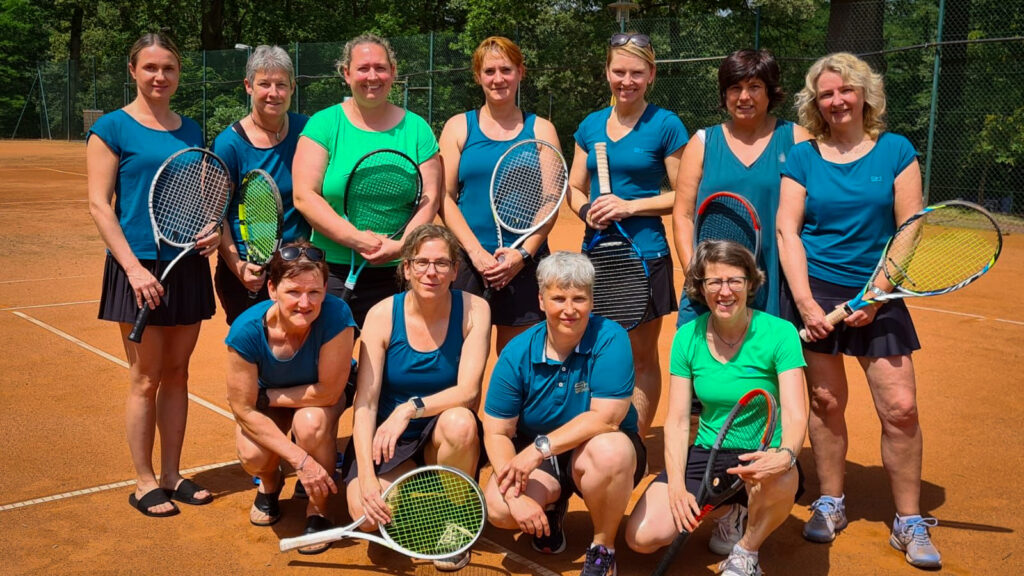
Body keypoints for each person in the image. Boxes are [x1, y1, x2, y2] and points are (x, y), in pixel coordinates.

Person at [776, 52, 941, 569]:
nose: (837, 100)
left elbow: (910, 225)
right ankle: (830, 500)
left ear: (865, 94)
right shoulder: (802, 156)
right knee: (825, 401)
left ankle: (909, 519)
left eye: (846, 90)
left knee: (901, 408)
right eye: (826, 93)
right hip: (817, 290)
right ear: (815, 102)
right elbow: (787, 230)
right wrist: (806, 303)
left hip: (879, 293)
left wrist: (878, 290)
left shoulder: (895, 150)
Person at [87, 32, 219, 518]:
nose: (160, 76)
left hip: (185, 263)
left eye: (169, 68)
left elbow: (200, 196)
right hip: (137, 265)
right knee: (145, 377)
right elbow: (100, 206)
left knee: (178, 373)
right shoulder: (110, 128)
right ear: (133, 71)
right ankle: (143, 481)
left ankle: (171, 475)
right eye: (150, 67)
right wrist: (133, 269)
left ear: (178, 73)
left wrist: (210, 228)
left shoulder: (192, 129)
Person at [625, 240, 807, 576]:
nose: (725, 291)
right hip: (710, 452)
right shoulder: (687, 337)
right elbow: (678, 421)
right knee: (642, 537)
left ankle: (746, 551)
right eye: (714, 282)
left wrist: (786, 455)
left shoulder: (781, 333)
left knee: (781, 477)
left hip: (763, 452)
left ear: (750, 283)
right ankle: (729, 511)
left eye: (734, 280)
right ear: (701, 287)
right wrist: (677, 486)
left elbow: (796, 413)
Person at [483, 251, 646, 576]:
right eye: (558, 298)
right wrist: (513, 496)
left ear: (592, 301)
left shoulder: (611, 338)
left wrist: (536, 450)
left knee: (610, 451)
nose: (569, 309)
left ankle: (603, 548)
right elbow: (497, 431)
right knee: (501, 509)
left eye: (579, 299)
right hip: (545, 461)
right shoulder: (518, 352)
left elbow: (607, 419)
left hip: (598, 450)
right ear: (541, 300)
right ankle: (553, 506)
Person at [344, 224, 490, 571]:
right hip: (388, 441)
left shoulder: (475, 309)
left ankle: (457, 517)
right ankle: (416, 486)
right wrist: (367, 477)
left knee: (461, 422)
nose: (431, 272)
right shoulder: (381, 315)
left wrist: (410, 409)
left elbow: (468, 392)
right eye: (421, 262)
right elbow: (365, 404)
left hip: (440, 433)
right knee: (366, 516)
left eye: (442, 263)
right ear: (406, 268)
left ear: (455, 270)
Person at [567, 33, 687, 437]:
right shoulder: (590, 125)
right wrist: (587, 210)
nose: (627, 81)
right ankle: (595, 432)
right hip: (597, 254)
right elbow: (575, 187)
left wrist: (629, 207)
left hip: (646, 254)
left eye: (637, 73)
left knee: (641, 357)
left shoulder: (666, 124)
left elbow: (683, 194)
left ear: (651, 75)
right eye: (619, 71)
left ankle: (633, 441)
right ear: (607, 72)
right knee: (593, 348)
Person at [293, 33, 442, 328]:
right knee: (330, 355)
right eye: (363, 68)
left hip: (403, 272)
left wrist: (401, 246)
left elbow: (431, 197)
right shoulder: (323, 124)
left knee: (397, 356)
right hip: (332, 270)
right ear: (346, 73)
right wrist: (357, 239)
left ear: (393, 72)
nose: (372, 76)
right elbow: (304, 195)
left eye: (380, 68)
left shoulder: (417, 129)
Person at [225, 242, 355, 554]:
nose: (304, 303)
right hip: (273, 399)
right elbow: (243, 409)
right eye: (294, 292)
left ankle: (319, 508)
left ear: (326, 290)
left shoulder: (337, 315)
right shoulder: (245, 331)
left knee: (310, 424)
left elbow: (329, 391)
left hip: (317, 396)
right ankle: (271, 484)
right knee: (252, 454)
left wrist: (266, 397)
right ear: (272, 289)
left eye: (314, 292)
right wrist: (301, 461)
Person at [438, 36, 562, 352]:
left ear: (520, 72)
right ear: (478, 76)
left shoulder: (542, 129)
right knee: (461, 360)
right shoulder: (458, 127)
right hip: (468, 261)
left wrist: (522, 255)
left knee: (519, 362)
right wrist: (477, 254)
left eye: (506, 70)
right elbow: (444, 198)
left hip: (526, 263)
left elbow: (551, 201)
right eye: (489, 71)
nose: (498, 79)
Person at [673, 49, 811, 326]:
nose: (744, 97)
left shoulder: (798, 139)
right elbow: (683, 215)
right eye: (735, 88)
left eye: (754, 87)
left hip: (774, 283)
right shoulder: (702, 143)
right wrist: (696, 276)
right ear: (724, 94)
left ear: (770, 92)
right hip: (711, 286)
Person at [214, 45, 311, 324]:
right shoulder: (228, 144)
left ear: (292, 87)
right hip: (248, 272)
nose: (273, 93)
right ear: (248, 86)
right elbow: (216, 216)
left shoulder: (307, 131)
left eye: (281, 84)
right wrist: (238, 266)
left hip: (298, 266)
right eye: (264, 84)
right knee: (253, 346)